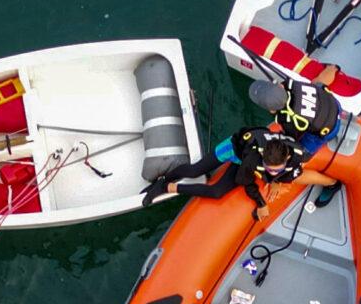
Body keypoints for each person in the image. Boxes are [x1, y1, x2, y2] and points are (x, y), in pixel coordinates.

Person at [142, 80, 345, 210]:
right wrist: (263, 199)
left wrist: (276, 182)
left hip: (321, 122)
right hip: (236, 148)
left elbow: (250, 176)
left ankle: (168, 186)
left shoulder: (292, 146)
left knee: (217, 190)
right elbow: (246, 179)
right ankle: (164, 182)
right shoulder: (254, 160)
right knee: (196, 169)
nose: (275, 173)